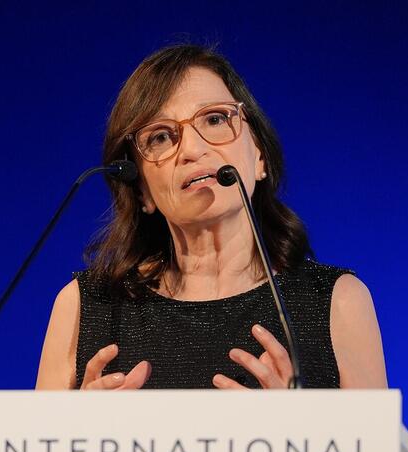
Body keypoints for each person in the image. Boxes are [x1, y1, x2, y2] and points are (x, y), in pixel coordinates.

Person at [35, 44, 387, 391]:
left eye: (215, 119)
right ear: (142, 189)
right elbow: (35, 448)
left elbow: (376, 449)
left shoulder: (337, 302)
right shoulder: (85, 309)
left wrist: (296, 433)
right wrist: (76, 431)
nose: (191, 149)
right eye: (160, 136)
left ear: (260, 156)